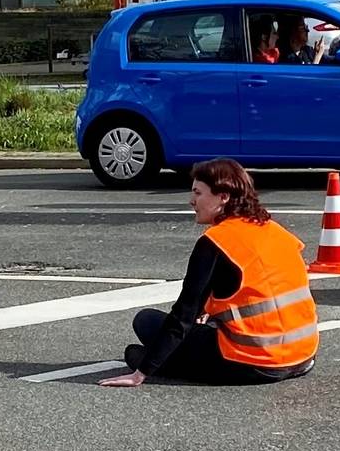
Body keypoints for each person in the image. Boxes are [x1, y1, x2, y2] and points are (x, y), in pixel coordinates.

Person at [98, 159, 319, 388]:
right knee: (158, 338)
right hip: (303, 355)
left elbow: (183, 316)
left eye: (198, 192)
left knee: (144, 325)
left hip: (253, 362)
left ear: (223, 196)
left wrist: (141, 373)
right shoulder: (275, 231)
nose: (191, 200)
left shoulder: (215, 242)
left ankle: (160, 363)